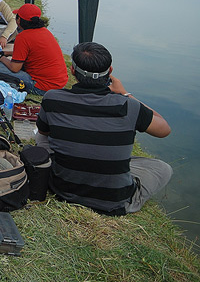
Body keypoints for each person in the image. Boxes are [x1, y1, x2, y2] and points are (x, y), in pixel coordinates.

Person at [36, 42, 172, 215]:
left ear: (72, 71)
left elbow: (43, 133)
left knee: (41, 136)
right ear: (110, 71)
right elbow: (164, 129)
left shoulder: (52, 98)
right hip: (114, 202)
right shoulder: (129, 106)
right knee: (163, 168)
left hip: (62, 190)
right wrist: (125, 94)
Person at [0, 3, 67, 95]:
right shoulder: (45, 31)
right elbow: (31, 52)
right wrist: (7, 53)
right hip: (59, 83)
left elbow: (15, 68)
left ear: (19, 20)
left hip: (43, 87)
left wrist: (0, 57)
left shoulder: (23, 37)